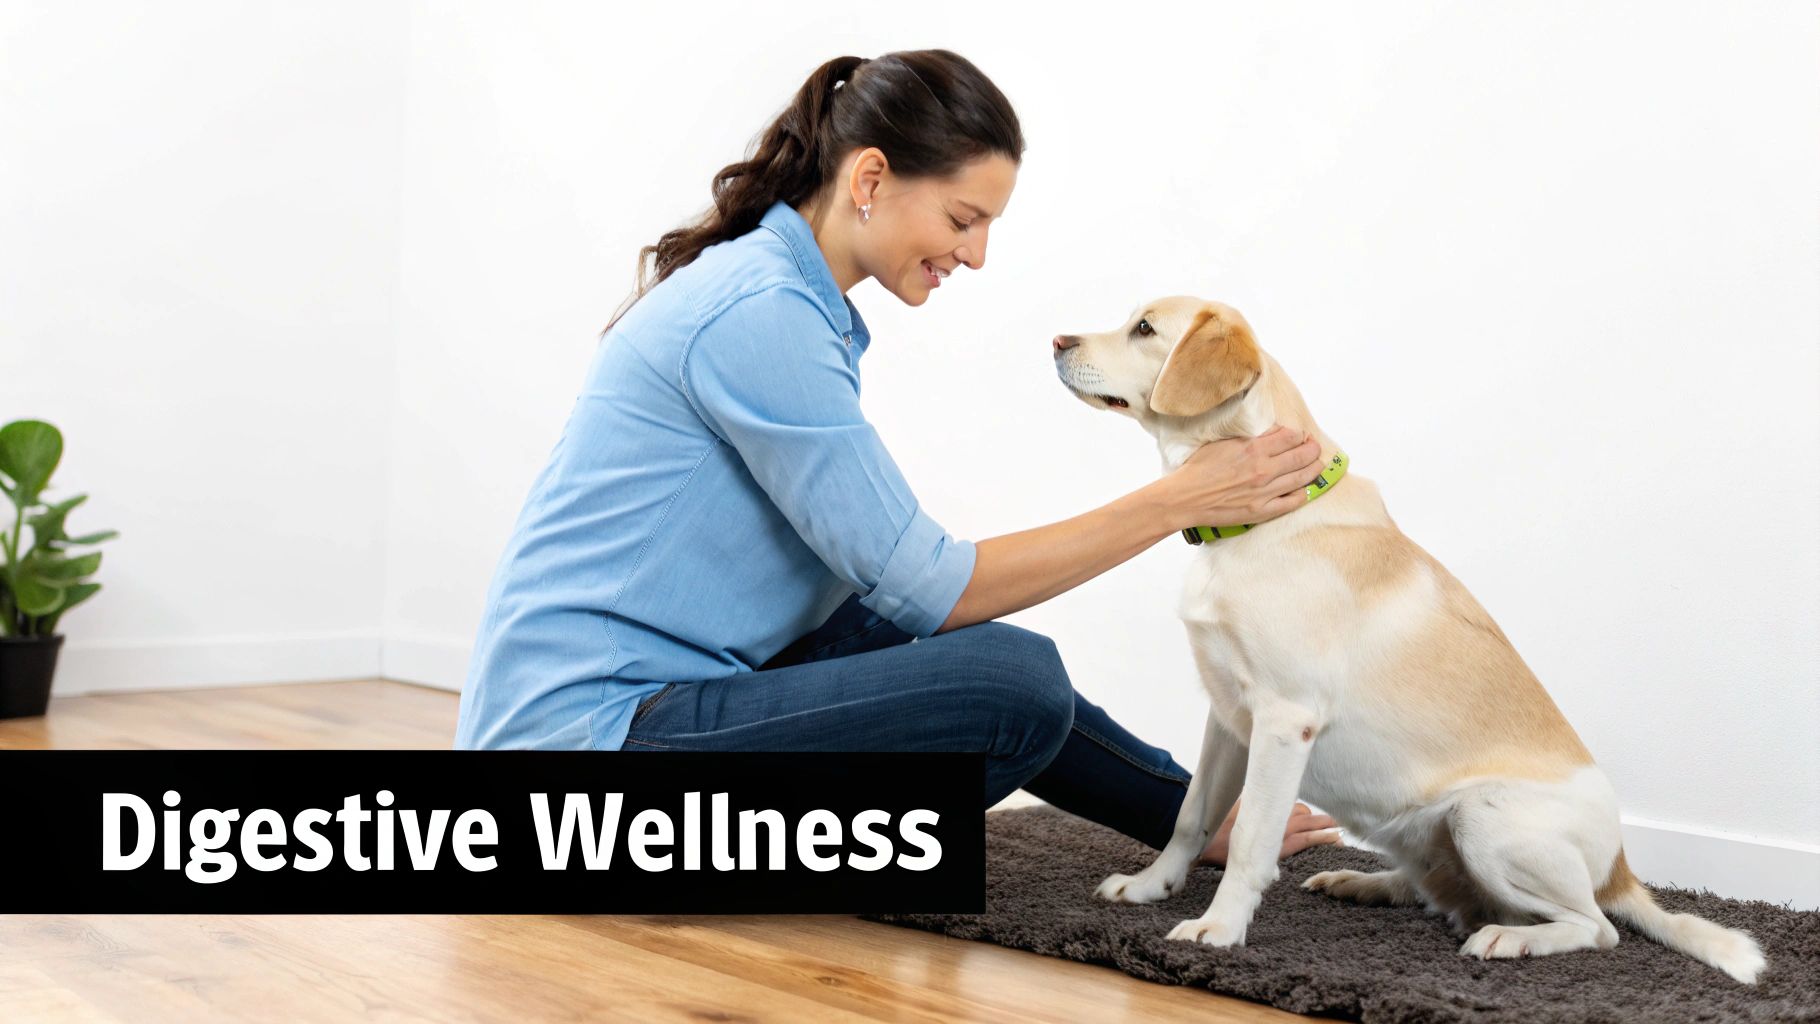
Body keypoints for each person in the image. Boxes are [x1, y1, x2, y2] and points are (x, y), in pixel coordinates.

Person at [454, 49, 1340, 867]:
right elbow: (931, 587)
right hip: (579, 766)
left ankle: (1194, 822)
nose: (977, 253)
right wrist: (1181, 499)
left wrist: (1180, 813)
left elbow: (890, 605)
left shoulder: (791, 303)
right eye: (965, 218)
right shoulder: (759, 313)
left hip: (649, 719)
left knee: (955, 650)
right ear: (870, 177)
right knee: (1008, 682)